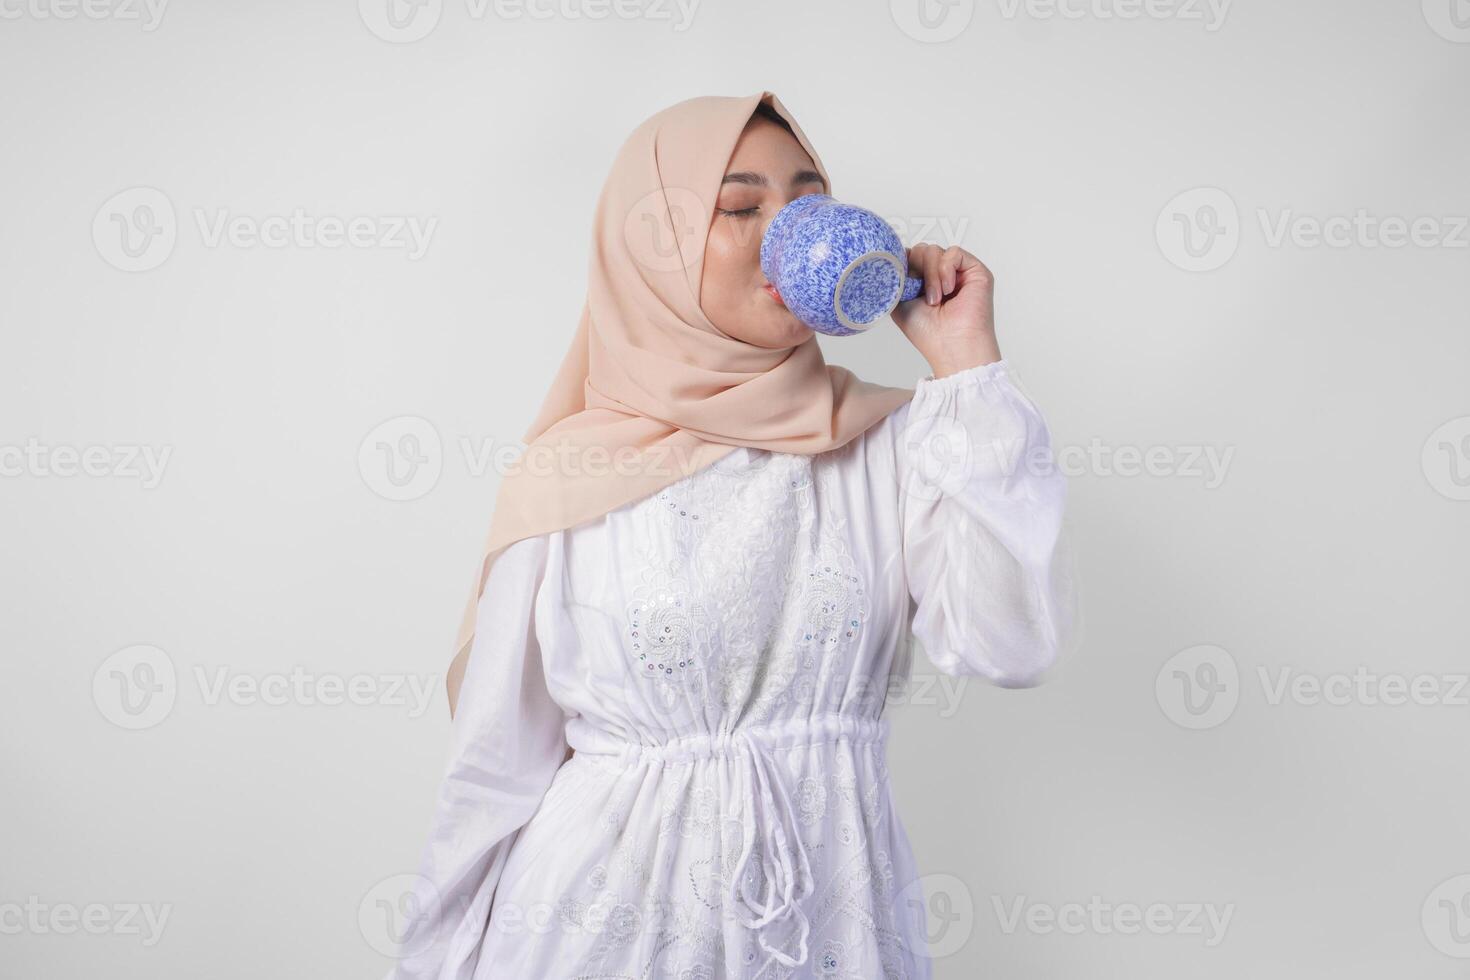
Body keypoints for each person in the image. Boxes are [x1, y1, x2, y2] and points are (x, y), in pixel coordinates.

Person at [389, 89, 1075, 979]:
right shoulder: (570, 475)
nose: (783, 234)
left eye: (807, 203)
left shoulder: (898, 445)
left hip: (835, 920)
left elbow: (1010, 646)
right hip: (595, 936)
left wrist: (966, 367)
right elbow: (493, 774)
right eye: (741, 207)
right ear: (655, 248)